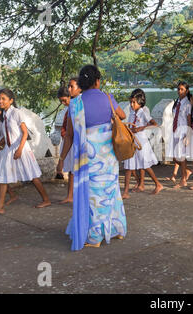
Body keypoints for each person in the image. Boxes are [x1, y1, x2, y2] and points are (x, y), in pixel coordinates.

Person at [58, 64, 127, 250]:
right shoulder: (107, 98)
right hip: (108, 155)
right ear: (97, 81)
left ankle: (95, 236)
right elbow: (123, 115)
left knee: (93, 196)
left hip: (88, 157)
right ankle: (116, 228)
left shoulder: (75, 104)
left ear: (81, 83)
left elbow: (70, 136)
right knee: (111, 190)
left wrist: (62, 158)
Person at [0, 89, 50, 216]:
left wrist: (20, 150)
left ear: (11, 100)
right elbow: (7, 136)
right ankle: (0, 207)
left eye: (3, 98)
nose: (0, 101)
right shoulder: (4, 115)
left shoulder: (17, 113)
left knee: (33, 176)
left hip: (21, 149)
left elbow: (25, 133)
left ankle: (46, 200)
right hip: (8, 150)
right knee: (3, 178)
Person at [123, 89, 163, 198]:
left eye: (134, 102)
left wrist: (142, 128)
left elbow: (155, 124)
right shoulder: (132, 112)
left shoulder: (143, 112)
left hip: (142, 142)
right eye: (130, 102)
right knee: (128, 165)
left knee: (145, 165)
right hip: (132, 141)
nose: (131, 105)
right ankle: (125, 192)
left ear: (140, 102)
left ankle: (158, 184)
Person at [165, 82, 193, 188]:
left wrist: (188, 135)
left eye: (182, 89)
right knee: (174, 157)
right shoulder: (177, 102)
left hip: (183, 131)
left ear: (186, 91)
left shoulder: (187, 104)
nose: (179, 91)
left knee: (181, 157)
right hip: (175, 131)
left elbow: (189, 120)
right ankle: (186, 171)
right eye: (178, 89)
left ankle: (183, 180)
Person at [56, 86, 74, 204]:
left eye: (65, 100)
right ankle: (70, 195)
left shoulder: (75, 108)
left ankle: (72, 195)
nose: (63, 103)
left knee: (75, 170)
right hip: (67, 141)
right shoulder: (67, 110)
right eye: (61, 101)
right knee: (71, 171)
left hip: (73, 142)